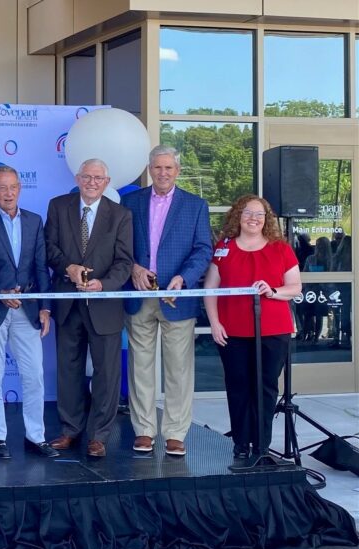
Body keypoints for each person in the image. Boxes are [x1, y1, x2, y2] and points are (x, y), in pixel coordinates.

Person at [122, 146, 212, 456]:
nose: (162, 173)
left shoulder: (195, 205)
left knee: (178, 370)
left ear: (178, 170)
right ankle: (144, 430)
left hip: (177, 297)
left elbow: (203, 250)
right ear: (149, 169)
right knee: (140, 367)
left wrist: (184, 278)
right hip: (139, 294)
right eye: (157, 167)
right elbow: (119, 246)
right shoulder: (130, 202)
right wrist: (132, 266)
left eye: (168, 168)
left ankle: (175, 432)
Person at [45, 159, 132, 458]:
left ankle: (99, 436)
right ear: (77, 178)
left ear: (107, 182)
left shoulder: (120, 215)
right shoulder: (58, 206)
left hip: (104, 305)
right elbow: (49, 248)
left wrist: (103, 285)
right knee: (68, 370)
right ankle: (70, 430)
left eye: (98, 178)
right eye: (86, 177)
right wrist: (67, 267)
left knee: (107, 373)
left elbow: (124, 262)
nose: (92, 182)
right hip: (68, 302)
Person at [203, 195, 301, 460]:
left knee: (265, 387)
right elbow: (210, 287)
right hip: (232, 331)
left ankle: (261, 445)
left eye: (260, 214)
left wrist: (273, 291)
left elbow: (295, 287)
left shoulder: (281, 248)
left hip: (272, 331)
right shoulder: (224, 249)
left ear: (266, 219)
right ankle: (240, 443)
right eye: (248, 213)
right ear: (238, 216)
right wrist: (214, 323)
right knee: (238, 386)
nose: (253, 219)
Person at [0, 165, 58, 460]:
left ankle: (36, 436)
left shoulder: (35, 221)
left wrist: (46, 307)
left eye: (13, 187)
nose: (8, 193)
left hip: (28, 310)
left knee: (34, 376)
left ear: (20, 189)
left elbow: (41, 268)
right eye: (2, 187)